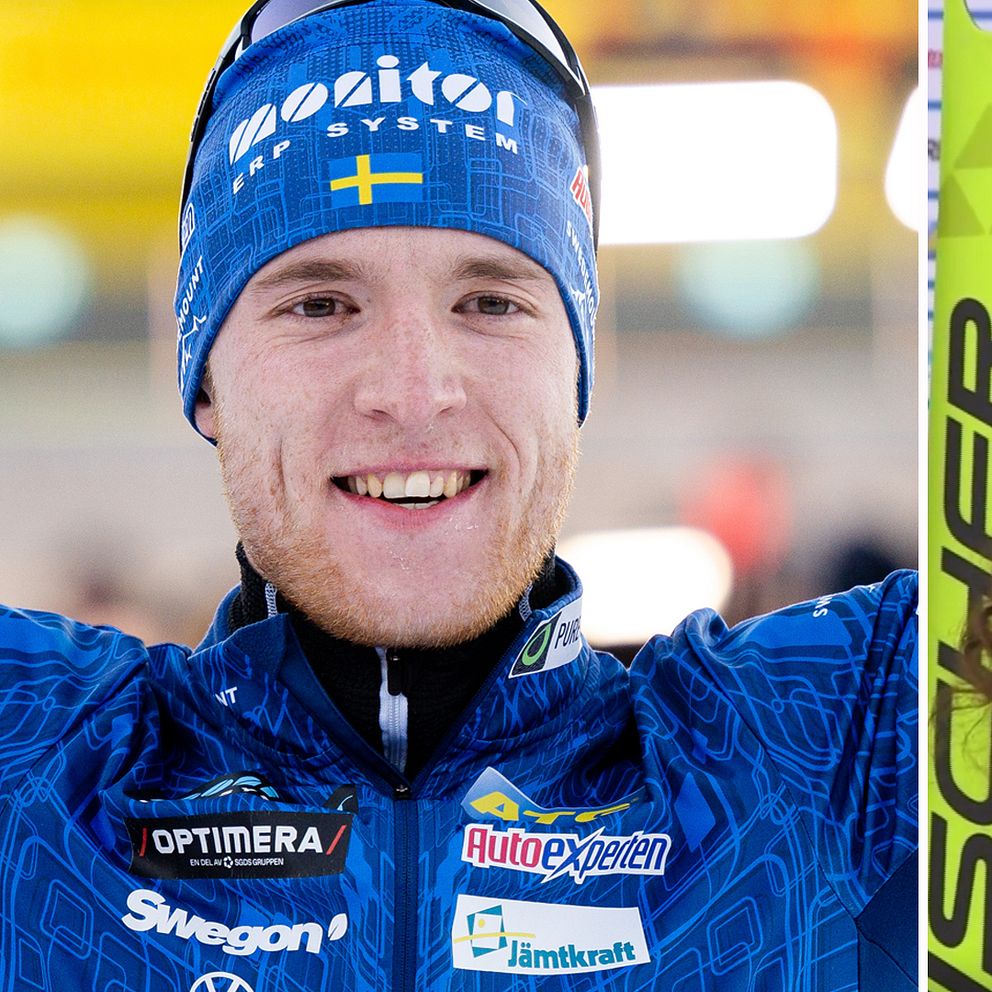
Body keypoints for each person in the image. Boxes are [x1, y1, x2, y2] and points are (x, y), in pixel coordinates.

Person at [0, 2, 917, 990]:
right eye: (320, 303)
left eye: (489, 301)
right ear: (205, 375)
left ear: (573, 366)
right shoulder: (38, 768)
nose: (412, 390)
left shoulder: (823, 755)